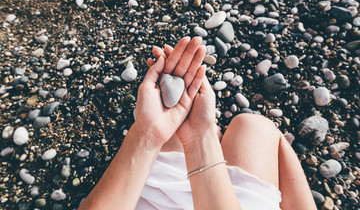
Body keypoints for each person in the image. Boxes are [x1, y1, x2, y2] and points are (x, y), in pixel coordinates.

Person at [78, 37, 317, 210]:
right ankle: (212, 142)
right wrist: (200, 138)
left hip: (157, 200)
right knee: (253, 127)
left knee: (179, 131)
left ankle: (209, 141)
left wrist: (147, 134)